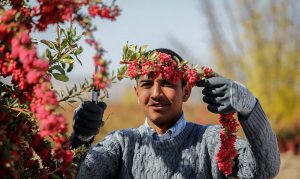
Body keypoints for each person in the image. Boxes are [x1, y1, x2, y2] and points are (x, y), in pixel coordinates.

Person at [69, 49, 280, 179]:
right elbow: (77, 175)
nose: (156, 94)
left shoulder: (211, 142)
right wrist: (80, 139)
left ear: (186, 91)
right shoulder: (121, 145)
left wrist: (250, 106)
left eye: (167, 83)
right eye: (146, 84)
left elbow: (264, 169)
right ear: (136, 93)